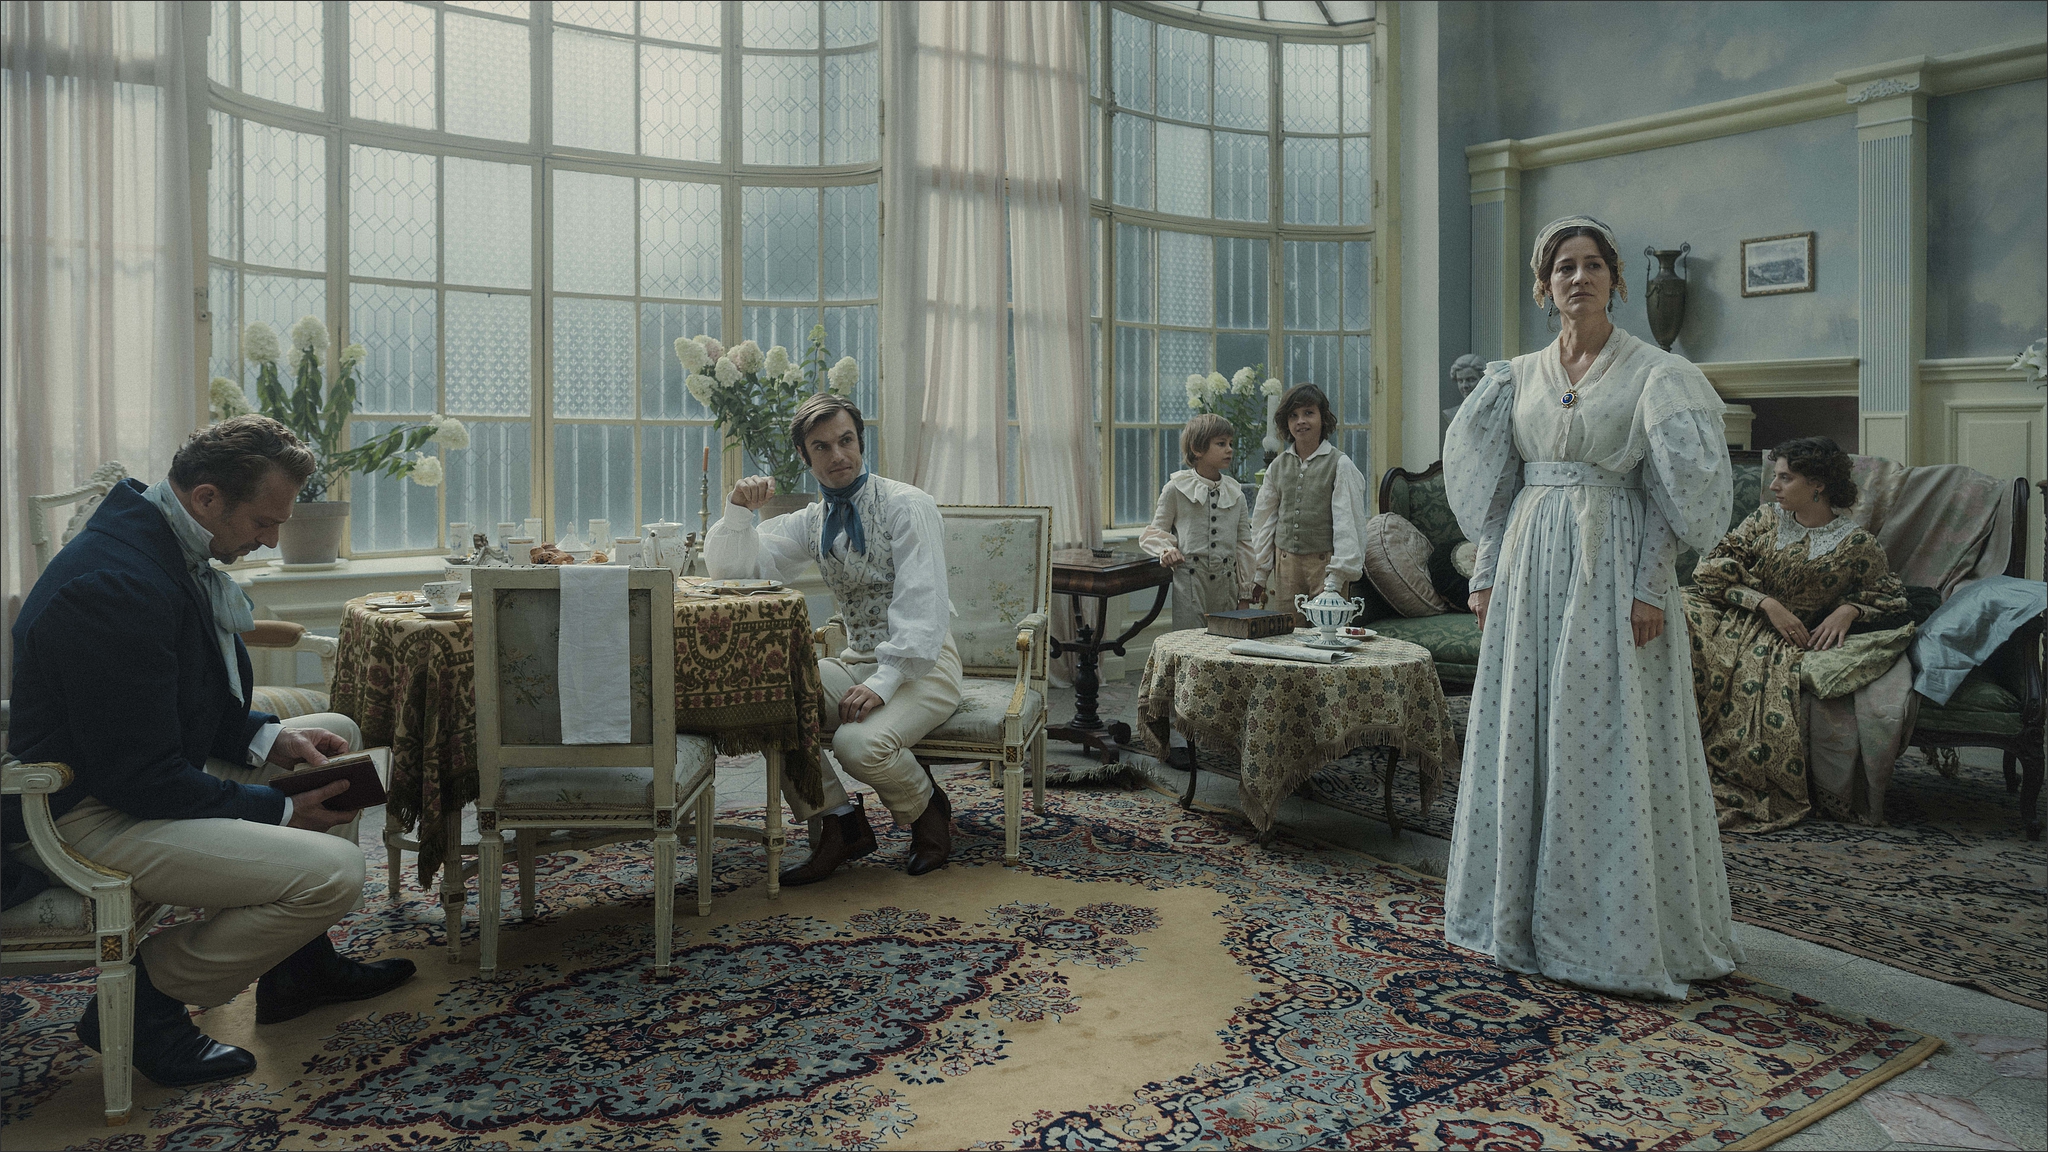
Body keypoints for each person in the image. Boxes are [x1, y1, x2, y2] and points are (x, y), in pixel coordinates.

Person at [4, 416, 415, 1088]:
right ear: (206, 498)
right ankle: (144, 1005)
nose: (270, 539)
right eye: (264, 521)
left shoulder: (158, 539)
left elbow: (176, 704)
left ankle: (297, 968)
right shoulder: (116, 585)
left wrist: (271, 739)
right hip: (83, 814)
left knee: (332, 729)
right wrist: (281, 811)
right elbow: (143, 779)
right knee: (336, 874)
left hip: (132, 778)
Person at [1442, 214, 1741, 1000]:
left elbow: (1666, 495)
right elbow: (1500, 489)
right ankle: (1515, 921)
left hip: (1610, 564)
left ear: (1616, 279)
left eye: (1593, 265)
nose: (1579, 277)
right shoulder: (1514, 377)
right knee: (1523, 735)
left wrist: (1649, 587)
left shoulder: (1657, 374)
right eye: (1564, 267)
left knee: (1606, 741)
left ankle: (1609, 935)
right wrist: (1485, 575)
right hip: (1529, 563)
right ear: (1545, 286)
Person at [704, 393, 962, 885]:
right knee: (767, 698)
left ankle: (927, 808)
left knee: (855, 745)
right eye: (822, 447)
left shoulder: (908, 505)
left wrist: (884, 682)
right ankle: (839, 823)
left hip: (922, 666)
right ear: (805, 456)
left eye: (846, 441)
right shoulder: (812, 519)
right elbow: (738, 572)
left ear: (861, 442)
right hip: (856, 660)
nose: (838, 455)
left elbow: (923, 608)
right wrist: (738, 511)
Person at [1682, 438, 1908, 832]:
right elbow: (1711, 569)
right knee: (1674, 614)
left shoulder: (1856, 545)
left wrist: (1849, 609)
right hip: (1734, 610)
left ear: (1818, 483)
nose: (1773, 486)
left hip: (1779, 642)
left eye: (1785, 477)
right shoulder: (1765, 519)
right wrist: (1767, 604)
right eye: (1775, 476)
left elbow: (1893, 598)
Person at [1249, 383, 1368, 619]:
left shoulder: (1340, 464)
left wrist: (1336, 579)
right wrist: (1260, 574)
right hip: (1286, 568)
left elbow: (1348, 523)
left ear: (1323, 418)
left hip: (1325, 568)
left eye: (1308, 413)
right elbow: (1265, 521)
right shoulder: (1277, 466)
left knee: (1327, 631)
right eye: (1293, 416)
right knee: (1289, 632)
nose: (1300, 421)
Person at [1139, 413, 1259, 630]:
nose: (1229, 449)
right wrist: (1167, 550)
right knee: (1189, 640)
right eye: (1221, 444)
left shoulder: (1236, 494)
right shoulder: (1176, 489)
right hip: (1190, 585)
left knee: (1226, 642)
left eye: (1230, 444)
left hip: (1226, 586)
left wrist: (1245, 595)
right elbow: (1154, 533)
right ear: (1197, 449)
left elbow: (1243, 546)